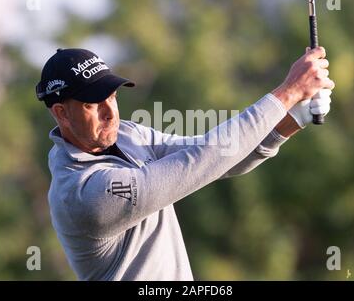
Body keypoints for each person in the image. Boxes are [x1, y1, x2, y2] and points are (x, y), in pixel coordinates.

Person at [36, 47, 334, 280]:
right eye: (92, 104)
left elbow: (222, 158)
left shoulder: (126, 134)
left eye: (111, 97)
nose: (110, 112)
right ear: (62, 113)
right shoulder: (83, 193)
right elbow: (201, 161)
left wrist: (293, 119)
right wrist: (290, 91)